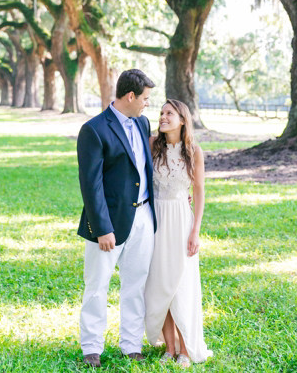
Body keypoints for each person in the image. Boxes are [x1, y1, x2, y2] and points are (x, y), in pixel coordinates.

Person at [77, 69, 157, 368]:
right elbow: (91, 184)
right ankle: (91, 348)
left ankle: (131, 344)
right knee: (97, 286)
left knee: (136, 284)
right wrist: (102, 228)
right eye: (146, 98)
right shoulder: (94, 129)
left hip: (144, 216)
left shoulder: (143, 122)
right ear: (131, 96)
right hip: (108, 223)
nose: (148, 104)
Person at [144, 99, 213, 368]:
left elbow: (198, 192)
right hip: (156, 220)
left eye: (169, 113)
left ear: (182, 119)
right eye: (161, 113)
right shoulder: (152, 146)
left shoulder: (194, 151)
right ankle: (169, 348)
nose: (162, 117)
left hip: (181, 221)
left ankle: (186, 349)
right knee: (161, 284)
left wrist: (195, 231)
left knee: (181, 284)